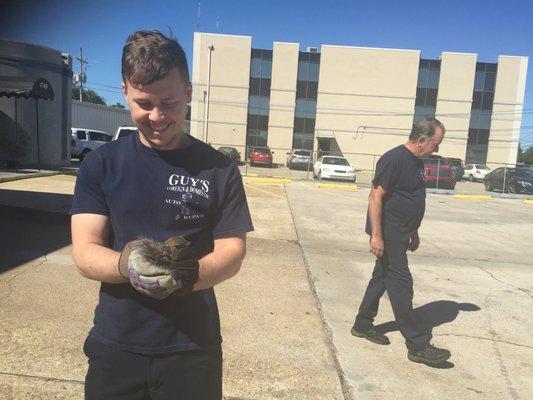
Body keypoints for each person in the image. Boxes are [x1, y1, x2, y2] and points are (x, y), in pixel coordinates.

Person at [70, 30, 253, 399]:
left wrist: (186, 276)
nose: (156, 116)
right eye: (143, 103)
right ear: (125, 92)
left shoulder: (218, 168)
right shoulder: (102, 164)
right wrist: (128, 265)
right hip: (118, 345)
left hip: (191, 348)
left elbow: (232, 251)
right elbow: (85, 250)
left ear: (188, 92)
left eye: (169, 102)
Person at [351, 117, 451, 366]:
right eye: (435, 145)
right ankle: (417, 344)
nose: (435, 150)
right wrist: (376, 235)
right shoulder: (394, 159)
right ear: (420, 140)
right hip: (389, 233)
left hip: (402, 232)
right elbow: (375, 197)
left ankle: (362, 324)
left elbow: (411, 197)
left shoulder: (415, 162)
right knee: (401, 284)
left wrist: (414, 231)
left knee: (381, 278)